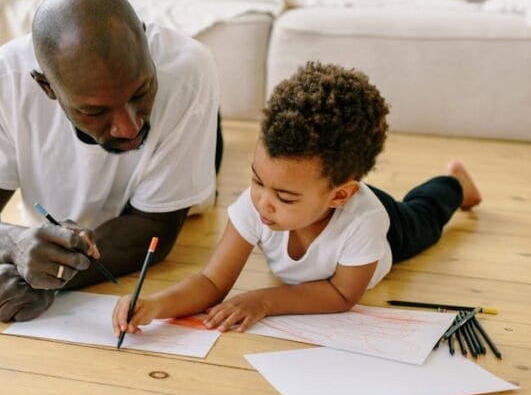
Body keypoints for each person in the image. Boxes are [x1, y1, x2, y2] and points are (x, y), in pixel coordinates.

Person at [112, 61, 481, 336]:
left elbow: (340, 294)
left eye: (284, 198)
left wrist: (264, 300)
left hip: (390, 227)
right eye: (257, 180)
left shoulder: (364, 221)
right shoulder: (257, 203)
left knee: (427, 215)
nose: (262, 203)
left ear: (339, 195)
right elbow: (212, 281)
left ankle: (456, 183)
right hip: (341, 203)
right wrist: (155, 305)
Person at [0, 0, 220, 322]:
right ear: (47, 87)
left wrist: (49, 278)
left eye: (140, 92)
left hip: (186, 155)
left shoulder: (189, 70)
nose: (129, 128)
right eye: (95, 111)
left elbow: (156, 227)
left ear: (147, 47)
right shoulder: (5, 80)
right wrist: (16, 245)